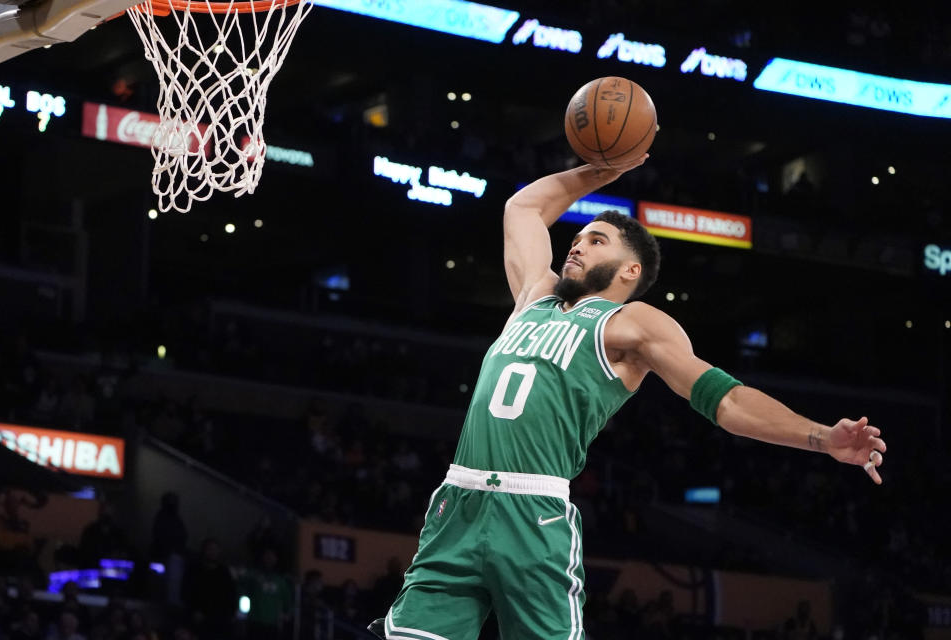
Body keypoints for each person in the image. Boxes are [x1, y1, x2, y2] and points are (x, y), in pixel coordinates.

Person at [368, 158, 888, 640]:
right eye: (577, 237)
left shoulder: (633, 325)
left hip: (533, 514)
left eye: (595, 241)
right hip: (457, 503)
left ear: (629, 272)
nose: (576, 245)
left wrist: (820, 438)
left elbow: (723, 399)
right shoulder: (533, 295)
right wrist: (603, 167)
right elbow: (523, 207)